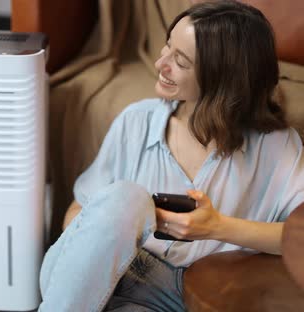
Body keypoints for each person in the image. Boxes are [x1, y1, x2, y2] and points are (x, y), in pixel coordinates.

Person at [38, 1, 304, 311]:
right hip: (111, 273)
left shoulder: (275, 147)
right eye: (167, 48)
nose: (160, 64)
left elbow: (298, 237)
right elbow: (80, 210)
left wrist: (217, 227)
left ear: (221, 78)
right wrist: (110, 235)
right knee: (128, 198)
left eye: (180, 60)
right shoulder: (136, 121)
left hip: (189, 293)